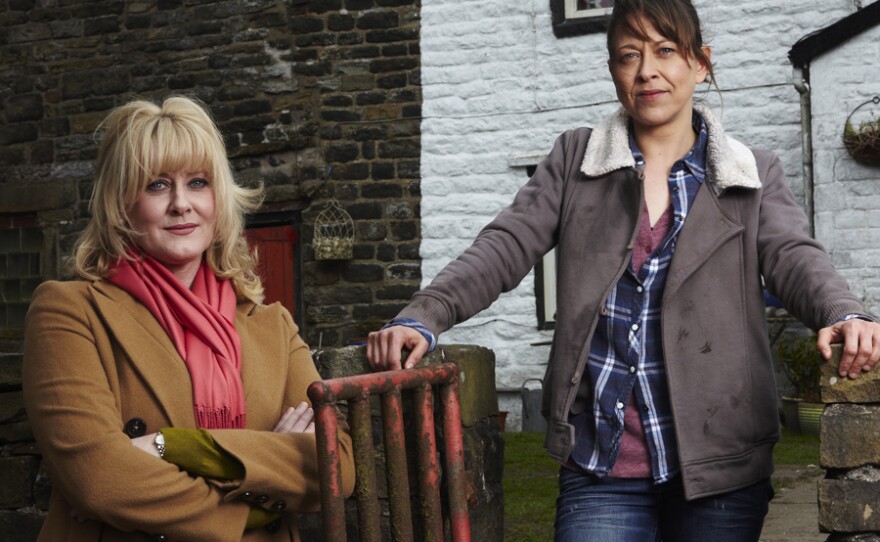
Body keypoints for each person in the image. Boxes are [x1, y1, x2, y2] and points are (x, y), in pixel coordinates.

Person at [367, 0, 880, 540]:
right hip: (601, 461)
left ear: (700, 63)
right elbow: (503, 246)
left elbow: (795, 257)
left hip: (721, 461)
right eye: (627, 55)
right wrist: (424, 315)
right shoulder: (575, 161)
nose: (646, 70)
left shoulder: (750, 174)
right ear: (613, 70)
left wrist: (841, 310)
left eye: (665, 51)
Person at [23, 96, 355, 542]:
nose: (181, 204)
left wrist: (171, 446)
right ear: (121, 203)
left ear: (219, 199)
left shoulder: (272, 324)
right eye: (157, 186)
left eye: (198, 183)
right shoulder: (69, 312)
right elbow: (100, 480)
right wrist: (258, 492)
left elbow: (338, 464)